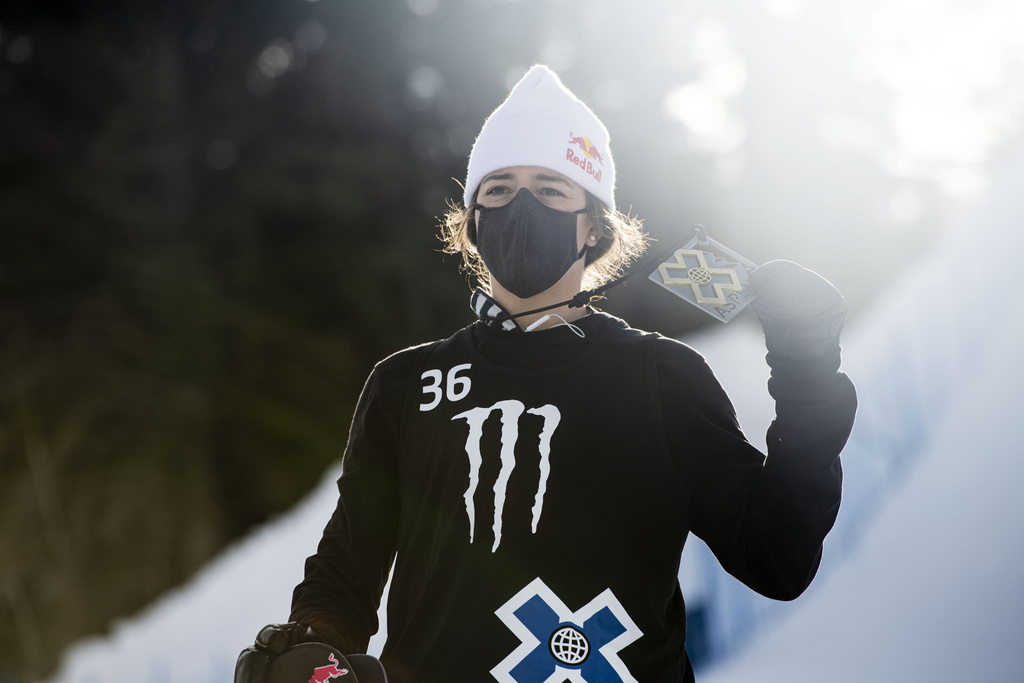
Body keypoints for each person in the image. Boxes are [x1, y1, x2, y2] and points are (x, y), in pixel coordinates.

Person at [238, 65, 857, 683]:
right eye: (499, 189)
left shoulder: (664, 376)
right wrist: (312, 646)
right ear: (473, 223)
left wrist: (807, 373)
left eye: (553, 190)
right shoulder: (406, 385)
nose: (523, 206)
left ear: (595, 227)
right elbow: (347, 568)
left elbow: (778, 558)